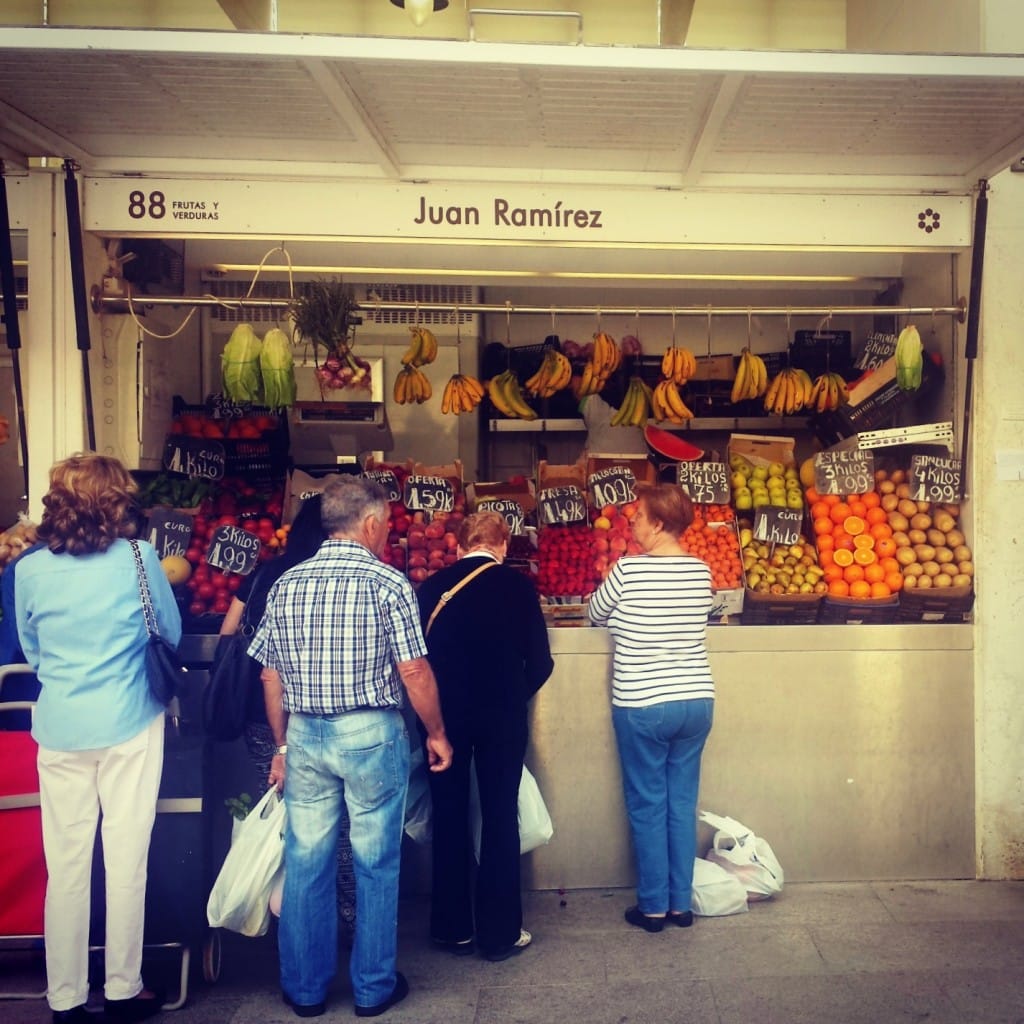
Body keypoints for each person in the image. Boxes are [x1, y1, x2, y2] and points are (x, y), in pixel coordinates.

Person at [248, 475, 452, 1019]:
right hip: (369, 735)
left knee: (307, 858)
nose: (386, 534)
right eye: (384, 524)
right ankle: (372, 988)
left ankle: (306, 989)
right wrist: (435, 732)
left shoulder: (287, 583)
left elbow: (271, 677)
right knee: (375, 862)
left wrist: (282, 746)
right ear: (368, 524)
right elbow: (413, 669)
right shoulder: (388, 584)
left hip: (307, 736)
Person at [14, 453, 181, 1024]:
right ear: (115, 500)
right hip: (130, 721)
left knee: (66, 868)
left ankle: (64, 999)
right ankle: (121, 988)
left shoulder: (29, 568)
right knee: (126, 860)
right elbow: (170, 631)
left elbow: (31, 650)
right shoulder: (139, 557)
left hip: (60, 727)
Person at [414, 510, 553, 962]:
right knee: (498, 815)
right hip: (501, 717)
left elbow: (416, 659)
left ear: (458, 546)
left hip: (443, 721)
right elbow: (542, 662)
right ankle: (499, 934)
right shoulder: (517, 587)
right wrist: (512, 694)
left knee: (449, 813)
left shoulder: (432, 587)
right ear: (503, 545)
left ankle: (451, 928)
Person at [217, 493, 356, 937]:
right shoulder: (335, 575)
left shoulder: (263, 574)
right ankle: (349, 921)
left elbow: (227, 633)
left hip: (266, 719)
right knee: (345, 827)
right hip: (324, 711)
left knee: (290, 818)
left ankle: (295, 924)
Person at [587, 482, 714, 933]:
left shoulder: (629, 571)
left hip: (643, 701)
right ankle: (682, 905)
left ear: (659, 523)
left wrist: (626, 620)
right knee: (682, 804)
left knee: (647, 805)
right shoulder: (701, 572)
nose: (632, 522)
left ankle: (654, 907)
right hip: (697, 701)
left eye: (638, 516)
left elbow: (595, 614)